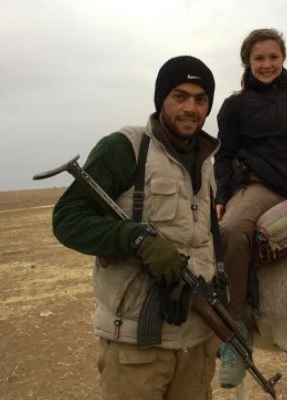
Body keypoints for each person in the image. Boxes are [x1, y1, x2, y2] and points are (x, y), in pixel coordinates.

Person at [52, 56, 220, 400]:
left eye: (200, 99)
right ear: (161, 100)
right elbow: (68, 218)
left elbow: (207, 238)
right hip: (134, 344)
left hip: (196, 338)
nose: (191, 107)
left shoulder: (207, 161)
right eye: (180, 96)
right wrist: (135, 237)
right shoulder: (126, 147)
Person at [213, 28, 287, 388]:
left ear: (283, 59)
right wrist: (222, 196)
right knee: (232, 233)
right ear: (247, 63)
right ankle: (236, 334)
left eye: (273, 57)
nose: (266, 64)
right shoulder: (235, 106)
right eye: (259, 58)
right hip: (260, 187)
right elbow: (225, 155)